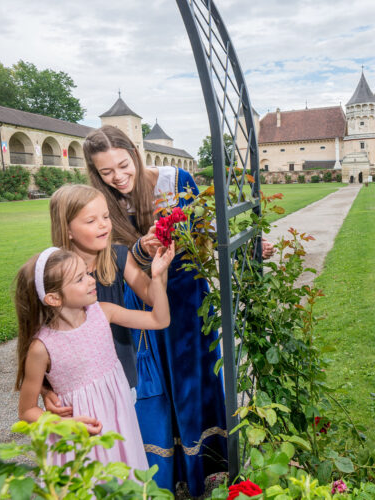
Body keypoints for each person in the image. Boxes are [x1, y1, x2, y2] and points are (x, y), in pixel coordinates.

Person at [83, 125, 230, 494]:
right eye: (106, 172)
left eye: (123, 165)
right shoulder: (104, 203)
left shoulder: (176, 181)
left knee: (194, 374)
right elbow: (111, 258)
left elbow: (207, 232)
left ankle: (205, 465)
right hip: (144, 298)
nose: (118, 177)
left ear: (135, 152)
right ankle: (169, 474)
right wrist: (141, 250)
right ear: (96, 173)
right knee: (158, 384)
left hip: (189, 294)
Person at [13, 244, 174, 469]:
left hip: (119, 422)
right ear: (53, 298)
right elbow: (27, 410)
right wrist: (64, 425)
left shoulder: (104, 312)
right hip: (80, 437)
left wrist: (156, 277)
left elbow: (160, 320)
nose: (91, 280)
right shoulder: (41, 348)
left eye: (87, 273)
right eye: (80, 279)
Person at [45, 184, 162, 395]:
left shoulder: (118, 256)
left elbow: (153, 298)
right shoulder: (52, 270)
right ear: (67, 229)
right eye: (91, 221)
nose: (104, 225)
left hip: (120, 373)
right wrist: (45, 390)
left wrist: (159, 265)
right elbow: (39, 335)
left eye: (106, 217)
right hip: (76, 382)